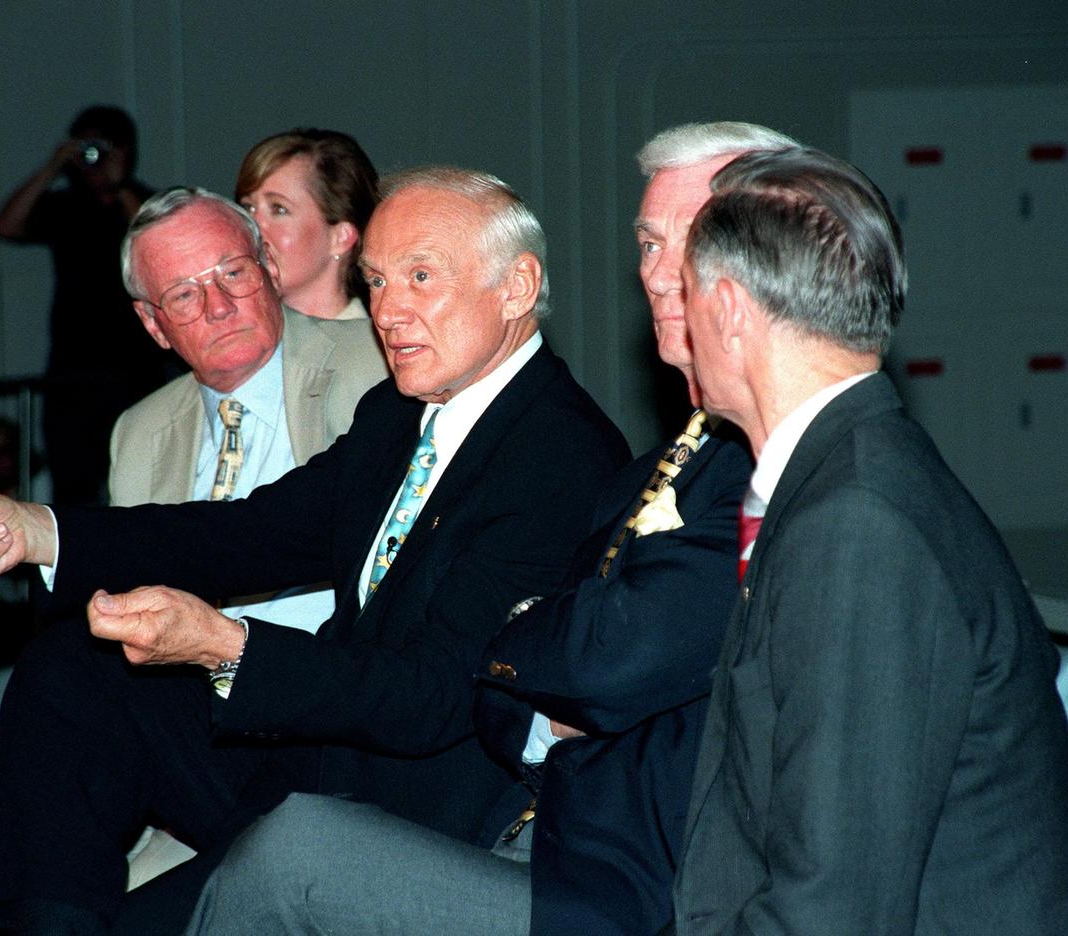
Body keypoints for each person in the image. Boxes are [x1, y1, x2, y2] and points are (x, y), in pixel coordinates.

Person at [0, 166, 630, 933]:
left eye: (422, 277)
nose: (390, 311)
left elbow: (430, 697)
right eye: (379, 282)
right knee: (72, 668)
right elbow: (249, 534)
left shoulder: (560, 456)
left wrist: (225, 646)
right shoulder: (400, 414)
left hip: (412, 809)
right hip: (319, 755)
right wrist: (41, 531)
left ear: (518, 287)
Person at [182, 122, 796, 936]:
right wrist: (52, 538)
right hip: (535, 820)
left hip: (622, 879)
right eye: (647, 244)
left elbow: (602, 663)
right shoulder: (665, 460)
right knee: (104, 706)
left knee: (290, 855)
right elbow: (541, 684)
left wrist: (524, 644)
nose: (657, 274)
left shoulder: (764, 474)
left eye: (420, 277)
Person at [0, 187, 388, 935]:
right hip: (182, 728)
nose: (219, 304)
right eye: (184, 294)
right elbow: (135, 579)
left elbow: (259, 536)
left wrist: (49, 533)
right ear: (153, 325)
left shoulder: (376, 370)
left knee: (72, 674)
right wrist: (27, 538)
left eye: (231, 272)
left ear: (267, 265)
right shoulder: (139, 431)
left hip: (317, 719)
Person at [671, 146, 1068, 933]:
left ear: (728, 310)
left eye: (686, 293)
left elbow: (832, 912)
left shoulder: (857, 525)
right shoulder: (853, 478)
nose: (677, 321)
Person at [0, 104, 174, 504]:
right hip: (71, 374)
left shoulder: (148, 202)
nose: (96, 157)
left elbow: (159, 241)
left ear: (127, 149)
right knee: (72, 491)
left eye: (107, 146)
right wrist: (53, 165)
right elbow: (7, 225)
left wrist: (118, 184)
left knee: (137, 488)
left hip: (135, 373)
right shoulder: (65, 207)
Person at [234, 128, 377, 320]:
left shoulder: (364, 347)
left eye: (279, 209)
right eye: (248, 208)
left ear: (340, 237)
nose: (251, 226)